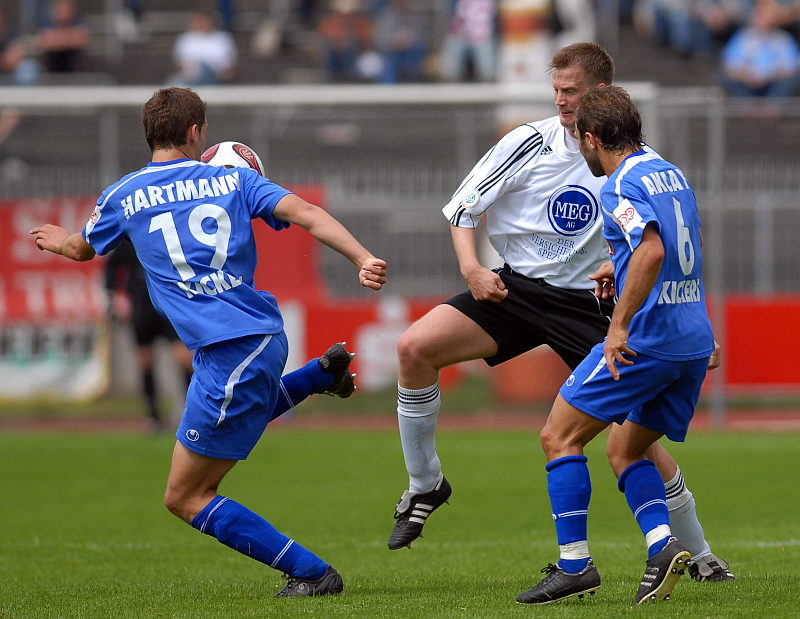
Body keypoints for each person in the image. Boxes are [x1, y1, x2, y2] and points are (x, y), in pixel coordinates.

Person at [387, 42, 734, 585]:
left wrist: (620, 289)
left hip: (589, 306)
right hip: (516, 290)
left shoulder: (623, 160)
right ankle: (425, 483)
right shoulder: (529, 142)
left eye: (571, 92)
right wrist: (473, 270)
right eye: (556, 90)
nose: (560, 101)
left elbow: (657, 246)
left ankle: (702, 555)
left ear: (600, 95)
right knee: (413, 348)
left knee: (636, 440)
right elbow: (461, 207)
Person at [30, 87, 387, 598]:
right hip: (258, 336)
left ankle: (311, 573)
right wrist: (362, 257)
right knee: (228, 432)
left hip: (230, 349)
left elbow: (79, 248)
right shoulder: (234, 179)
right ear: (196, 133)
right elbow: (306, 212)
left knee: (186, 495)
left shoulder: (123, 194)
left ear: (149, 133)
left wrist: (55, 239)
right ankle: (319, 375)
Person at [516, 84, 716, 605]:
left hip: (647, 340)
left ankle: (575, 565)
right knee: (624, 448)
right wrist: (617, 262)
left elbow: (650, 251)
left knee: (558, 436)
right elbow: (671, 245)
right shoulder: (666, 170)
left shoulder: (618, 185)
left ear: (590, 138)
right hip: (691, 338)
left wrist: (618, 325)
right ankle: (661, 546)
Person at [104, 237, 194, 433]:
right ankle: (153, 416)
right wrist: (116, 295)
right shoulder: (129, 237)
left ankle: (193, 414)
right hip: (141, 305)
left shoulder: (172, 233)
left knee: (184, 358)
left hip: (170, 305)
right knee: (145, 360)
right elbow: (111, 267)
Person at [169, 12, 237, 86]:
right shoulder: (185, 38)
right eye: (200, 22)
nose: (202, 24)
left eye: (205, 22)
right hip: (191, 76)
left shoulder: (223, 37)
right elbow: (179, 62)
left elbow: (231, 63)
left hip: (217, 74)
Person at [35, 0, 90, 74]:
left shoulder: (78, 21)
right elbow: (45, 43)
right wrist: (69, 38)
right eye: (60, 10)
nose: (63, 14)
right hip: (52, 65)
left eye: (66, 10)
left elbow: (83, 40)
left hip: (73, 65)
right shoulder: (47, 22)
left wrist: (58, 39)